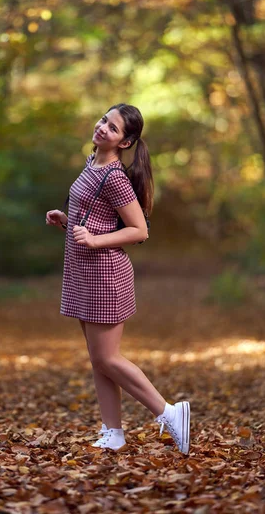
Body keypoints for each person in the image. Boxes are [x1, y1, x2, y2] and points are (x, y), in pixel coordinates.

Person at [46, 103, 190, 454]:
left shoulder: (114, 177)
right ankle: (113, 432)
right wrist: (67, 220)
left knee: (108, 359)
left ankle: (169, 412)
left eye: (112, 128)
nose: (102, 128)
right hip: (83, 272)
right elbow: (96, 220)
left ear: (124, 143)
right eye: (103, 120)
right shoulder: (92, 163)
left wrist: (94, 240)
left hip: (104, 275)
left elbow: (139, 230)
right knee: (98, 360)